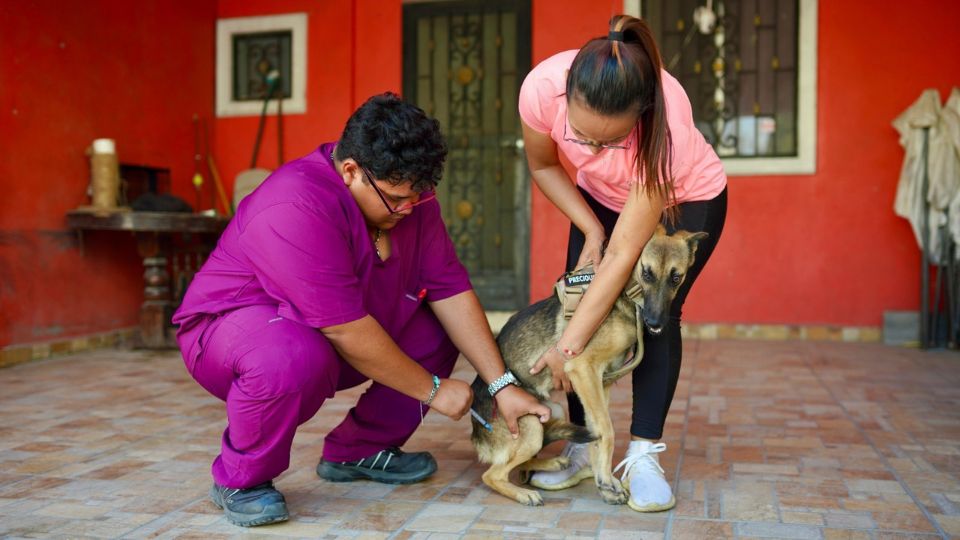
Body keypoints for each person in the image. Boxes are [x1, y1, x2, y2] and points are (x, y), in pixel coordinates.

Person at [173, 93, 550, 527]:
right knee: (292, 355)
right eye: (395, 198)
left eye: (417, 196)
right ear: (350, 170)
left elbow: (451, 289)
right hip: (231, 333)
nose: (408, 208)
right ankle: (241, 479)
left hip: (328, 329)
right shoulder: (295, 204)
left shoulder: (412, 203)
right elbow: (345, 330)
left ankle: (360, 450)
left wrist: (500, 383)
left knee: (437, 328)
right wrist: (433, 390)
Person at [521, 15, 728, 512]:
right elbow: (544, 164)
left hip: (683, 197)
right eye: (581, 137)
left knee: (653, 315)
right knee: (575, 303)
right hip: (598, 200)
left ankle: (642, 454)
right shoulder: (541, 87)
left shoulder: (667, 127)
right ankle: (582, 440)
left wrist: (566, 350)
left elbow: (621, 258)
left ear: (641, 115)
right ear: (564, 97)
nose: (591, 151)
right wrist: (591, 226)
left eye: (608, 142)